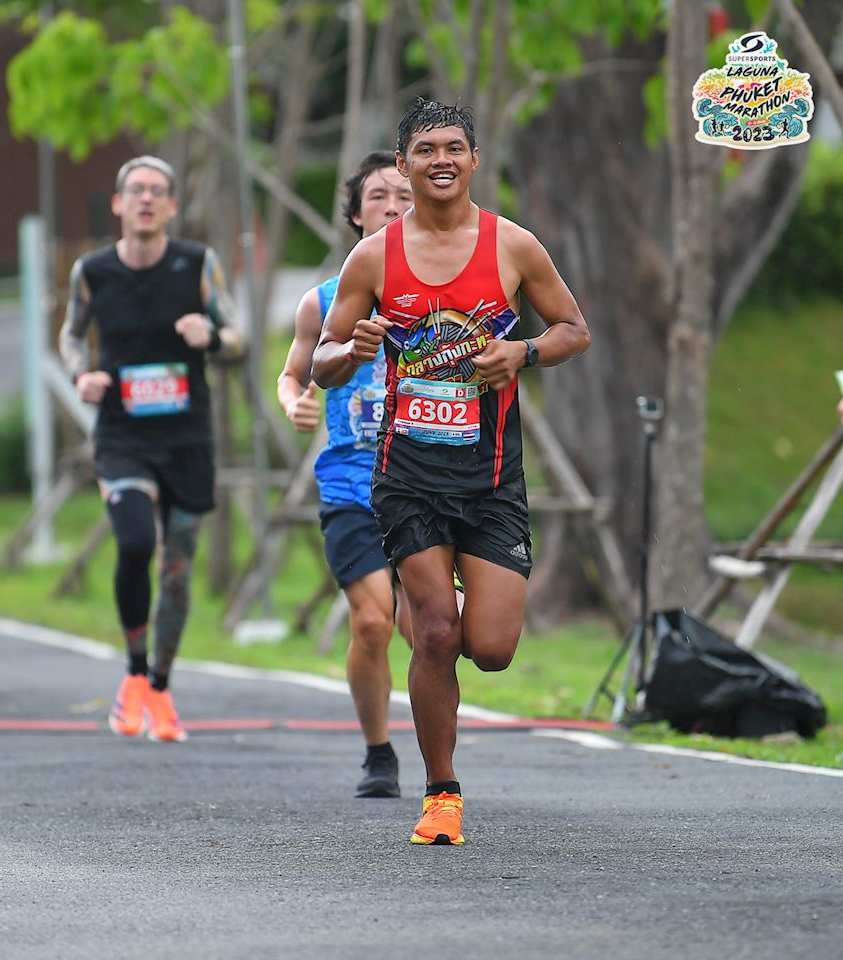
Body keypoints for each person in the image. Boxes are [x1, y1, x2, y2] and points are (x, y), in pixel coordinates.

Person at [313, 99, 591, 845]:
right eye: (426, 148)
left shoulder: (513, 247)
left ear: (473, 159)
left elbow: (574, 328)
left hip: (492, 474)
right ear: (402, 164)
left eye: (455, 147)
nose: (442, 158)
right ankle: (442, 794)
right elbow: (321, 360)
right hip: (406, 475)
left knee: (492, 647)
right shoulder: (373, 258)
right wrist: (354, 350)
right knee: (435, 635)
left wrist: (521, 352)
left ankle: (452, 591)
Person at [60, 156, 246, 743]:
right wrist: (79, 373)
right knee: (136, 540)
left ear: (170, 206)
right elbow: (70, 333)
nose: (145, 199)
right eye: (135, 190)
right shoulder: (91, 271)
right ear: (118, 203)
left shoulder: (197, 264)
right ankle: (134, 674)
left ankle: (160, 688)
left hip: (186, 436)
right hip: (123, 434)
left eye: (157, 191)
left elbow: (238, 337)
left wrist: (211, 336)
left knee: (176, 570)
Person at [277, 152, 412, 797]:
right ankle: (379, 752)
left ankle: (442, 762)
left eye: (405, 195)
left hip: (428, 483)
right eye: (380, 195)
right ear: (356, 215)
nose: (394, 204)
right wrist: (295, 402)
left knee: (433, 632)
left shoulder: (452, 295)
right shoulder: (323, 301)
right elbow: (292, 373)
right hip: (351, 483)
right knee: (372, 621)